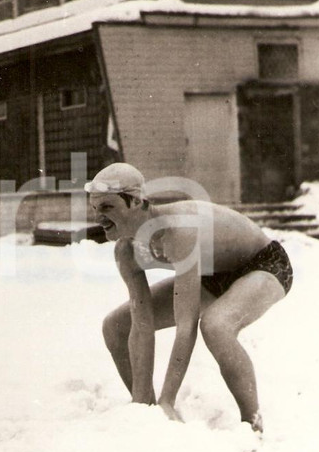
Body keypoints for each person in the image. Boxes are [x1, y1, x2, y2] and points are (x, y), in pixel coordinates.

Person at [87, 163, 293, 432]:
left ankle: (252, 425)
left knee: (215, 325)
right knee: (115, 326)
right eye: (95, 208)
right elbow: (142, 324)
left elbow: (186, 325)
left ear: (137, 202)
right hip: (212, 274)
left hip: (264, 264)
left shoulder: (178, 231)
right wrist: (144, 402)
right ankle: (145, 409)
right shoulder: (126, 251)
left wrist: (169, 398)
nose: (98, 218)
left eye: (107, 208)